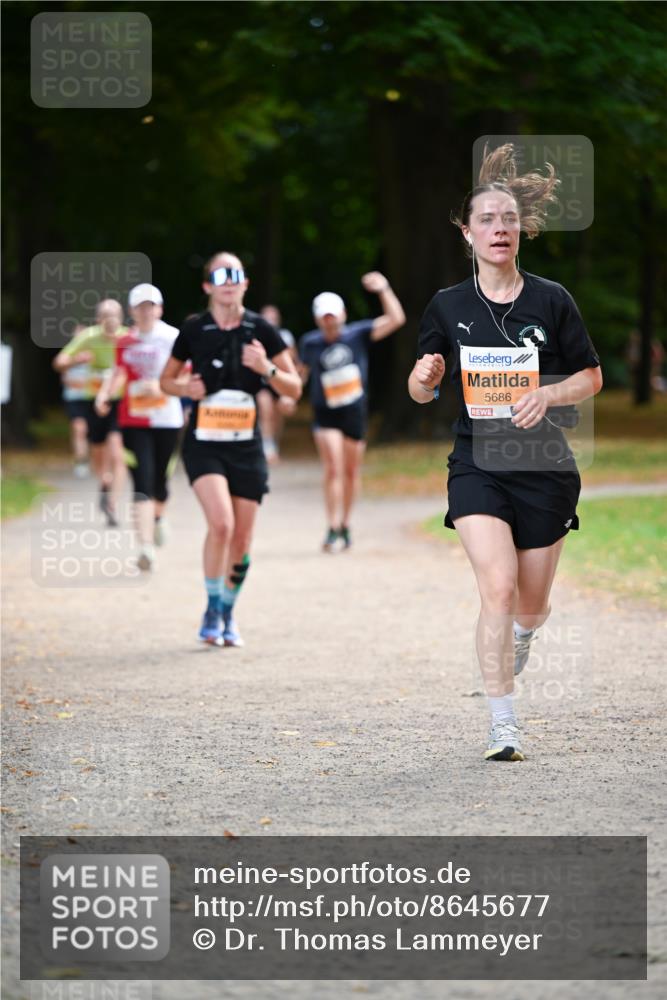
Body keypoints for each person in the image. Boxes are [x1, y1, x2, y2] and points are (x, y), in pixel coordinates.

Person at [408, 143, 603, 762]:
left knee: (531, 603)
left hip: (545, 467)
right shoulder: (448, 305)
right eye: (487, 220)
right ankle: (502, 722)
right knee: (496, 586)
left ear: (522, 231)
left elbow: (592, 377)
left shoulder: (552, 299)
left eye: (509, 220)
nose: (500, 228)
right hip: (478, 464)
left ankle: (520, 635)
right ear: (467, 232)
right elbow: (419, 389)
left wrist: (549, 393)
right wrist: (427, 372)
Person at [159, 251, 301, 647]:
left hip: (246, 445)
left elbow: (294, 386)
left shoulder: (261, 330)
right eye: (220, 274)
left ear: (245, 283)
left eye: (236, 273)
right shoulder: (193, 329)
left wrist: (266, 369)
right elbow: (164, 381)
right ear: (207, 285)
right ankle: (210, 607)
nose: (228, 280)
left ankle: (227, 610)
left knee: (242, 538)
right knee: (221, 524)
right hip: (204, 443)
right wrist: (185, 389)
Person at [299, 273, 405, 552]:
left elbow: (396, 319)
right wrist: (288, 394)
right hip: (326, 413)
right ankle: (332, 526)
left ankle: (345, 524)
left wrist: (384, 288)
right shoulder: (310, 343)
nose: (330, 322)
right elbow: (301, 373)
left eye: (333, 316)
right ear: (317, 319)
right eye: (325, 317)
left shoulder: (358, 333)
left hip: (354, 410)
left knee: (350, 469)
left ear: (343, 315)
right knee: (332, 467)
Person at [95, 284, 183, 571]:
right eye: (140, 306)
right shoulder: (124, 341)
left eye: (151, 306)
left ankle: (157, 517)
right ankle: (145, 547)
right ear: (132, 310)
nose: (146, 312)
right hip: (133, 419)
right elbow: (119, 373)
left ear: (160, 309)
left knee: (160, 482)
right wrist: (105, 394)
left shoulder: (173, 338)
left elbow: (187, 373)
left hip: (167, 418)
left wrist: (163, 386)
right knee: (141, 479)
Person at [53, 300, 128, 525]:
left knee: (117, 452)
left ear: (121, 317)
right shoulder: (88, 337)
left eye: (114, 315)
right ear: (98, 319)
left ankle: (112, 504)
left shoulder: (128, 338)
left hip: (119, 401)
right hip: (93, 400)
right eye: (105, 315)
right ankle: (104, 481)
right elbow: (59, 362)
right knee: (98, 453)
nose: (110, 320)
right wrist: (76, 359)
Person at [256, 304, 298, 464]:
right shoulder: (255, 335)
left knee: (278, 415)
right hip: (263, 380)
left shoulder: (285, 336)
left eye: (273, 318)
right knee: (265, 410)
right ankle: (268, 447)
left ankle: (274, 441)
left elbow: (292, 360)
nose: (270, 321)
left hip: (279, 378)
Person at [58, 323, 90, 477]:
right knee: (79, 429)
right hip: (74, 398)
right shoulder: (68, 354)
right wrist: (75, 361)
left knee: (94, 432)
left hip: (92, 398)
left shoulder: (96, 352)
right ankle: (81, 462)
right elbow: (63, 375)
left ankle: (95, 459)